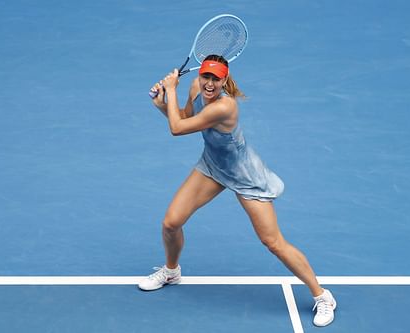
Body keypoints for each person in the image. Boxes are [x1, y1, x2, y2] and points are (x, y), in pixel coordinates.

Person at [139, 55, 337, 327]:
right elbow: (185, 118)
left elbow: (176, 129)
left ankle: (322, 295)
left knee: (273, 242)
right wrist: (163, 104)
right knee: (170, 223)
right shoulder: (196, 88)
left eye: (215, 79)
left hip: (246, 177)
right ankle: (172, 271)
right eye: (205, 77)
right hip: (213, 165)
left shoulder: (225, 107)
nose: (208, 84)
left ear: (225, 81)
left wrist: (170, 90)